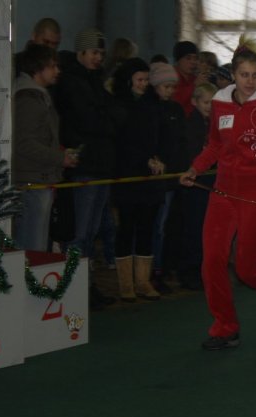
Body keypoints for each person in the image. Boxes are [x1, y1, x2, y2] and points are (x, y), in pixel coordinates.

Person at [179, 34, 256, 351]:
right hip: (222, 193)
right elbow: (215, 146)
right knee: (212, 262)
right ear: (233, 74)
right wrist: (194, 168)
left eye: (255, 75)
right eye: (244, 75)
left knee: (248, 269)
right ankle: (225, 328)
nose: (250, 81)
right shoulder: (219, 102)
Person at [56, 28, 123, 309]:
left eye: (101, 53)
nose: (99, 58)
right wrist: (107, 120)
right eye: (94, 52)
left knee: (91, 233)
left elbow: (113, 115)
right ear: (81, 53)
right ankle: (73, 289)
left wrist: (106, 119)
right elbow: (90, 121)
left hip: (100, 166)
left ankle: (87, 286)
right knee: (80, 234)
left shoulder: (95, 82)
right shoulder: (72, 82)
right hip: (84, 167)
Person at [111, 57, 167, 302]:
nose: (144, 84)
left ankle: (143, 282)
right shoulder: (118, 105)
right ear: (129, 80)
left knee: (147, 228)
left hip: (150, 178)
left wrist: (157, 157)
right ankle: (126, 285)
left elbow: (159, 137)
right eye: (139, 80)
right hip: (127, 176)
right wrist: (144, 159)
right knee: (126, 229)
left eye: (146, 79)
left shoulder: (152, 104)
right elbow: (121, 142)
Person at [12, 44, 77, 251]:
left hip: (38, 178)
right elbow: (24, 143)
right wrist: (59, 158)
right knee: (33, 247)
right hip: (32, 181)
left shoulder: (37, 96)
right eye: (52, 66)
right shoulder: (29, 99)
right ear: (37, 68)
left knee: (36, 245)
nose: (57, 71)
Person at [146, 62, 187, 293]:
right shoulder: (151, 110)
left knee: (166, 227)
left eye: (173, 87)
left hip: (173, 178)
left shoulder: (176, 110)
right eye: (166, 87)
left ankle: (161, 269)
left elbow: (180, 144)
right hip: (155, 180)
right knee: (157, 227)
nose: (170, 91)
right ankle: (152, 271)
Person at [177, 82, 218, 290]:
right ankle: (189, 271)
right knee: (193, 228)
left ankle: (202, 269)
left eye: (213, 102)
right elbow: (193, 153)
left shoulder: (213, 123)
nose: (210, 106)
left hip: (209, 182)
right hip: (195, 183)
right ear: (195, 102)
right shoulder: (190, 124)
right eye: (206, 102)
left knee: (206, 229)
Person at [172, 40, 206, 116]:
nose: (193, 62)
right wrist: (194, 86)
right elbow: (176, 102)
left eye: (195, 58)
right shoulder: (171, 78)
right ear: (178, 60)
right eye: (188, 58)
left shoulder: (195, 78)